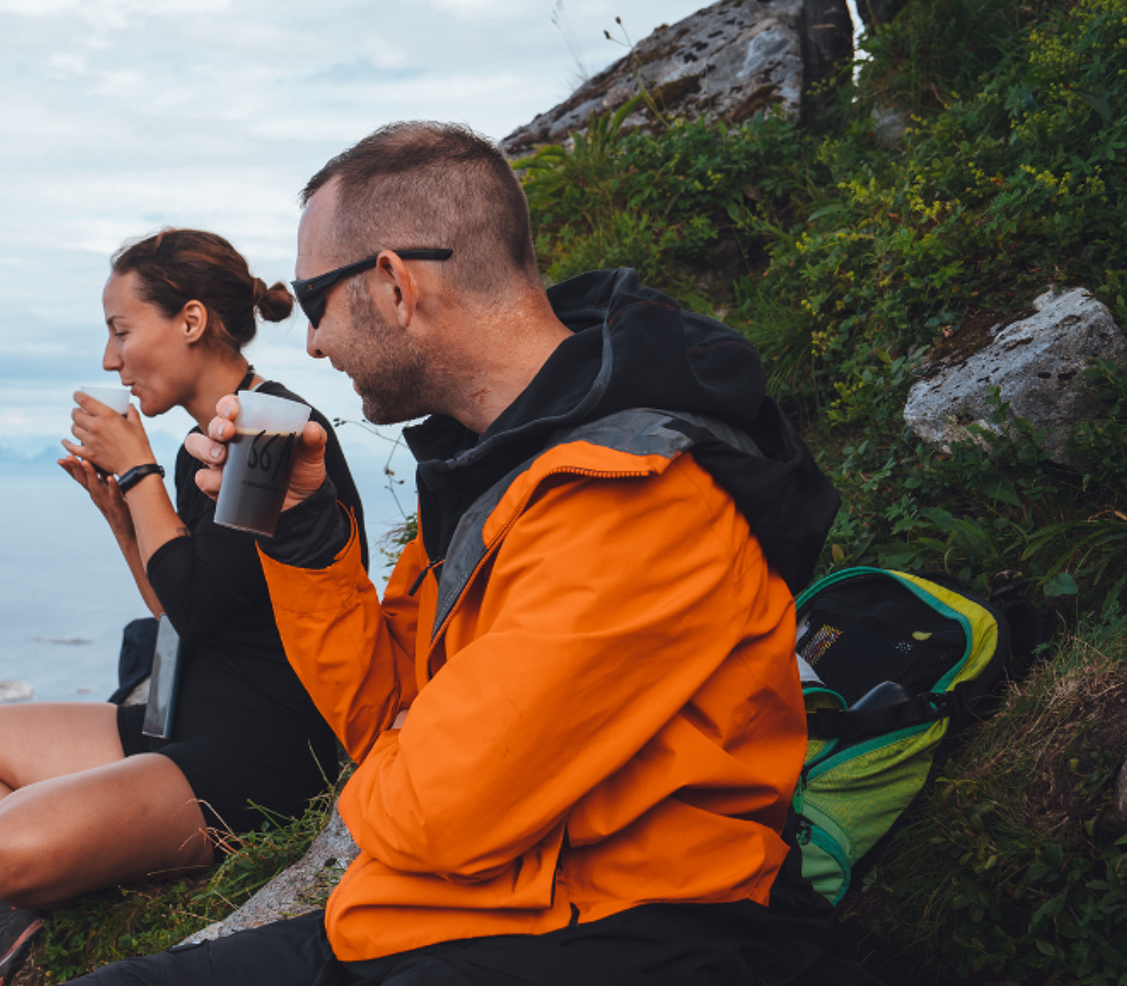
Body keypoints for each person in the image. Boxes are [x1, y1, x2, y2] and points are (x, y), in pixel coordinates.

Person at [68, 123, 841, 986]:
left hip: (615, 931)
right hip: (454, 917)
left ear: (394, 284)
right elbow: (380, 715)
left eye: (318, 299)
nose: (313, 342)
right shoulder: (493, 468)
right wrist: (307, 537)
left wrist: (401, 753)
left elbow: (430, 814)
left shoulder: (632, 499)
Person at [0, 228, 367, 986]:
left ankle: (5, 896)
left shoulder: (267, 431)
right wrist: (123, 517)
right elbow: (184, 608)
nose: (110, 359)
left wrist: (138, 473)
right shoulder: (209, 435)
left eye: (121, 331)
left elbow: (194, 610)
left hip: (254, 756)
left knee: (8, 847)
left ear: (190, 321)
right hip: (187, 720)